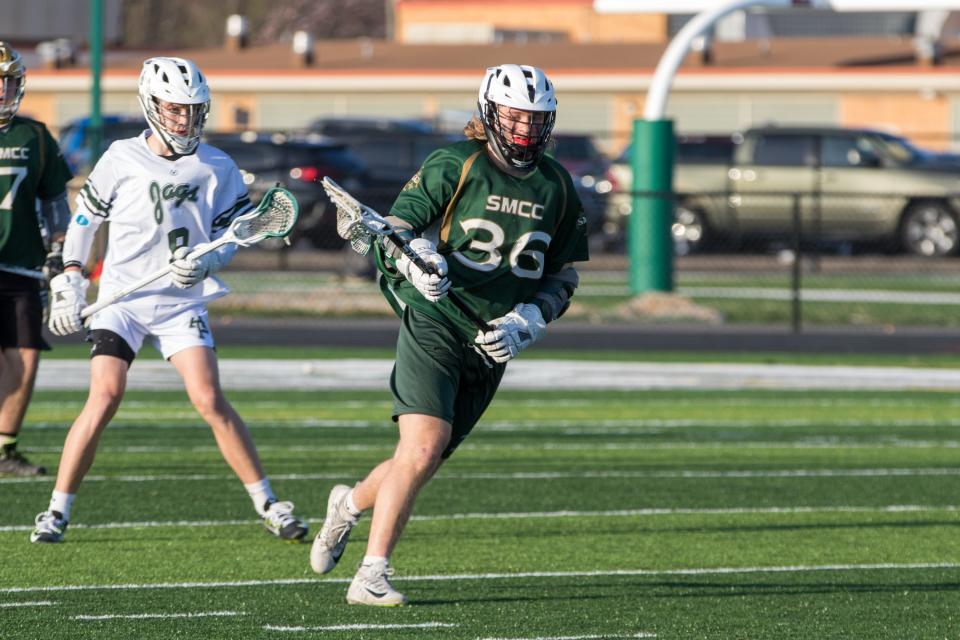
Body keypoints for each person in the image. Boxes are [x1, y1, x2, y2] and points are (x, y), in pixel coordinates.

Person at [309, 64, 589, 605]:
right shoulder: (456, 164)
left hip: (493, 339)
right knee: (423, 446)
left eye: (536, 119)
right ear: (489, 113)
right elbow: (398, 229)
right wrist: (422, 260)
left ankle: (346, 506)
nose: (526, 130)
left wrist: (529, 320)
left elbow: (564, 273)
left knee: (418, 460)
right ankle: (372, 573)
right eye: (515, 116)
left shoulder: (556, 184)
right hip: (435, 319)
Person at [29, 56, 308, 544]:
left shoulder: (216, 166)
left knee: (209, 399)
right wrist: (70, 279)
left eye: (192, 110)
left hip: (180, 301)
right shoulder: (121, 157)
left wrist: (205, 264)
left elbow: (230, 238)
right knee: (106, 395)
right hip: (122, 300)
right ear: (152, 105)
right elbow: (84, 222)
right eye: (175, 109)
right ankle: (57, 509)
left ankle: (268, 502)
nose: (184, 119)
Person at [0, 42, 72, 477]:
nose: (2, 92)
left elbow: (55, 202)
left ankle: (5, 448)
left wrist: (60, 249)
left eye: (7, 83)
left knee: (26, 356)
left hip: (23, 263)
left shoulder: (34, 136)